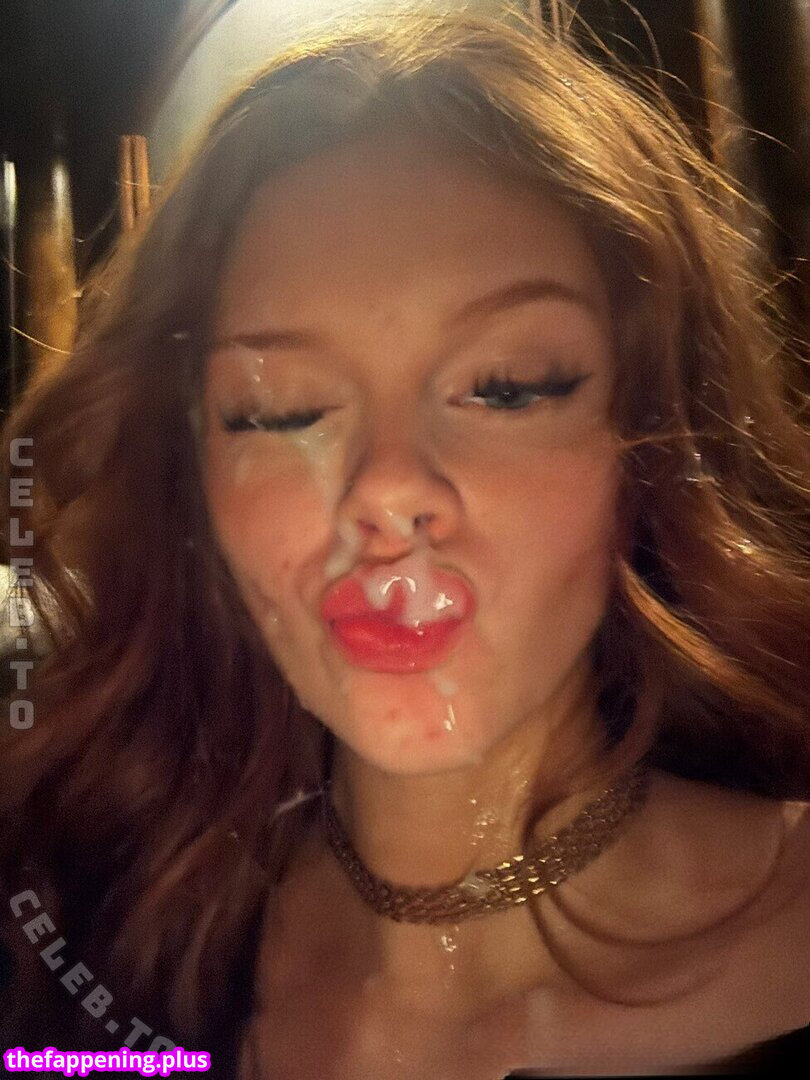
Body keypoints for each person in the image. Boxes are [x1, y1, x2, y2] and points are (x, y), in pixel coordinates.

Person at [1, 6, 809, 1077]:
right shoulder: (87, 955)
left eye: (507, 386)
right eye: (281, 409)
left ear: (651, 443)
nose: (385, 489)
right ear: (193, 487)